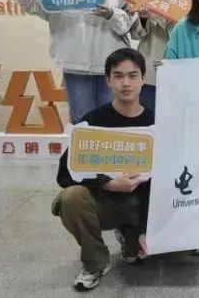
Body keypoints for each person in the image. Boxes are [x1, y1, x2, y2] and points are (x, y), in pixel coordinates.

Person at [53, 48, 155, 291]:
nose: (126, 83)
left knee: (137, 256)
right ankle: (95, 262)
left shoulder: (155, 123)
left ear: (143, 79)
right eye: (118, 76)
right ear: (108, 80)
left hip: (141, 206)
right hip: (103, 203)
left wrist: (147, 230)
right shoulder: (92, 122)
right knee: (70, 198)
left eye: (133, 75)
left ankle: (130, 236)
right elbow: (65, 174)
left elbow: (163, 183)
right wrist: (108, 183)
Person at [17, 0, 135, 123]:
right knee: (82, 121)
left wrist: (111, 14)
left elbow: (129, 21)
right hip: (76, 61)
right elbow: (39, 5)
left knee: (112, 122)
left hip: (112, 64)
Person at [129, 0, 189, 110]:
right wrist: (143, 18)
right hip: (150, 63)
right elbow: (136, 34)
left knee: (177, 118)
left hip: (179, 65)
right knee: (149, 117)